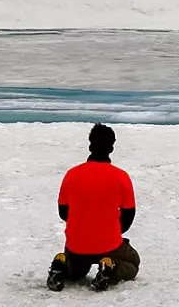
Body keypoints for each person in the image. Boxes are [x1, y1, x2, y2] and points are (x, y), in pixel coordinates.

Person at [47, 123, 140, 292]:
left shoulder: (72, 174)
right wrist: (113, 232)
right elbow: (128, 215)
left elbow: (63, 212)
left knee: (77, 271)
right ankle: (110, 267)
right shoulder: (121, 177)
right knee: (132, 263)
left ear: (90, 145)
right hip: (109, 243)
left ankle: (63, 262)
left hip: (77, 244)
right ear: (111, 148)